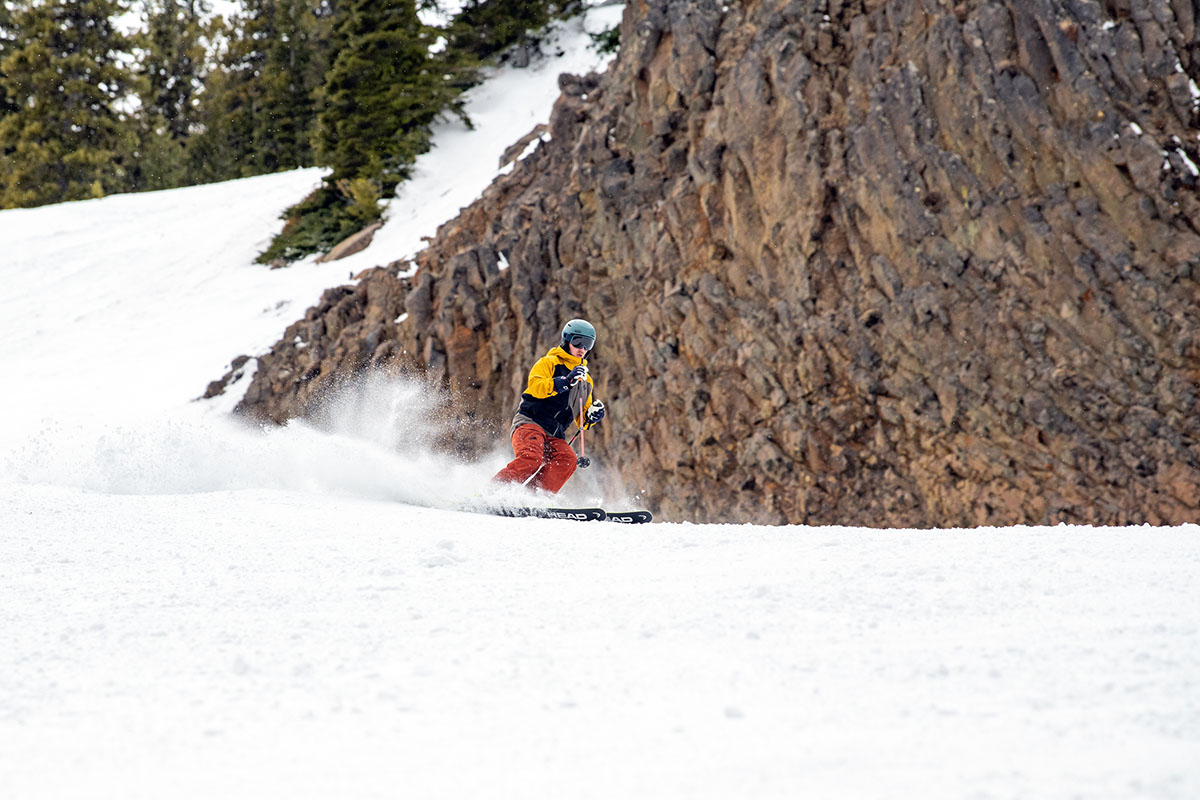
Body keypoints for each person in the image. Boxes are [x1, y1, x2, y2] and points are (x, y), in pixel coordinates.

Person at [492, 318, 607, 493]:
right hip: (530, 422)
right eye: (578, 342)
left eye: (588, 344)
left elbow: (582, 417)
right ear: (567, 341)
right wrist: (565, 381)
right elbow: (536, 387)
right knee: (531, 458)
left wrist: (592, 415)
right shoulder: (549, 363)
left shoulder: (586, 381)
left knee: (567, 459)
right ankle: (492, 491)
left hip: (554, 433)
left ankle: (534, 497)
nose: (582, 349)